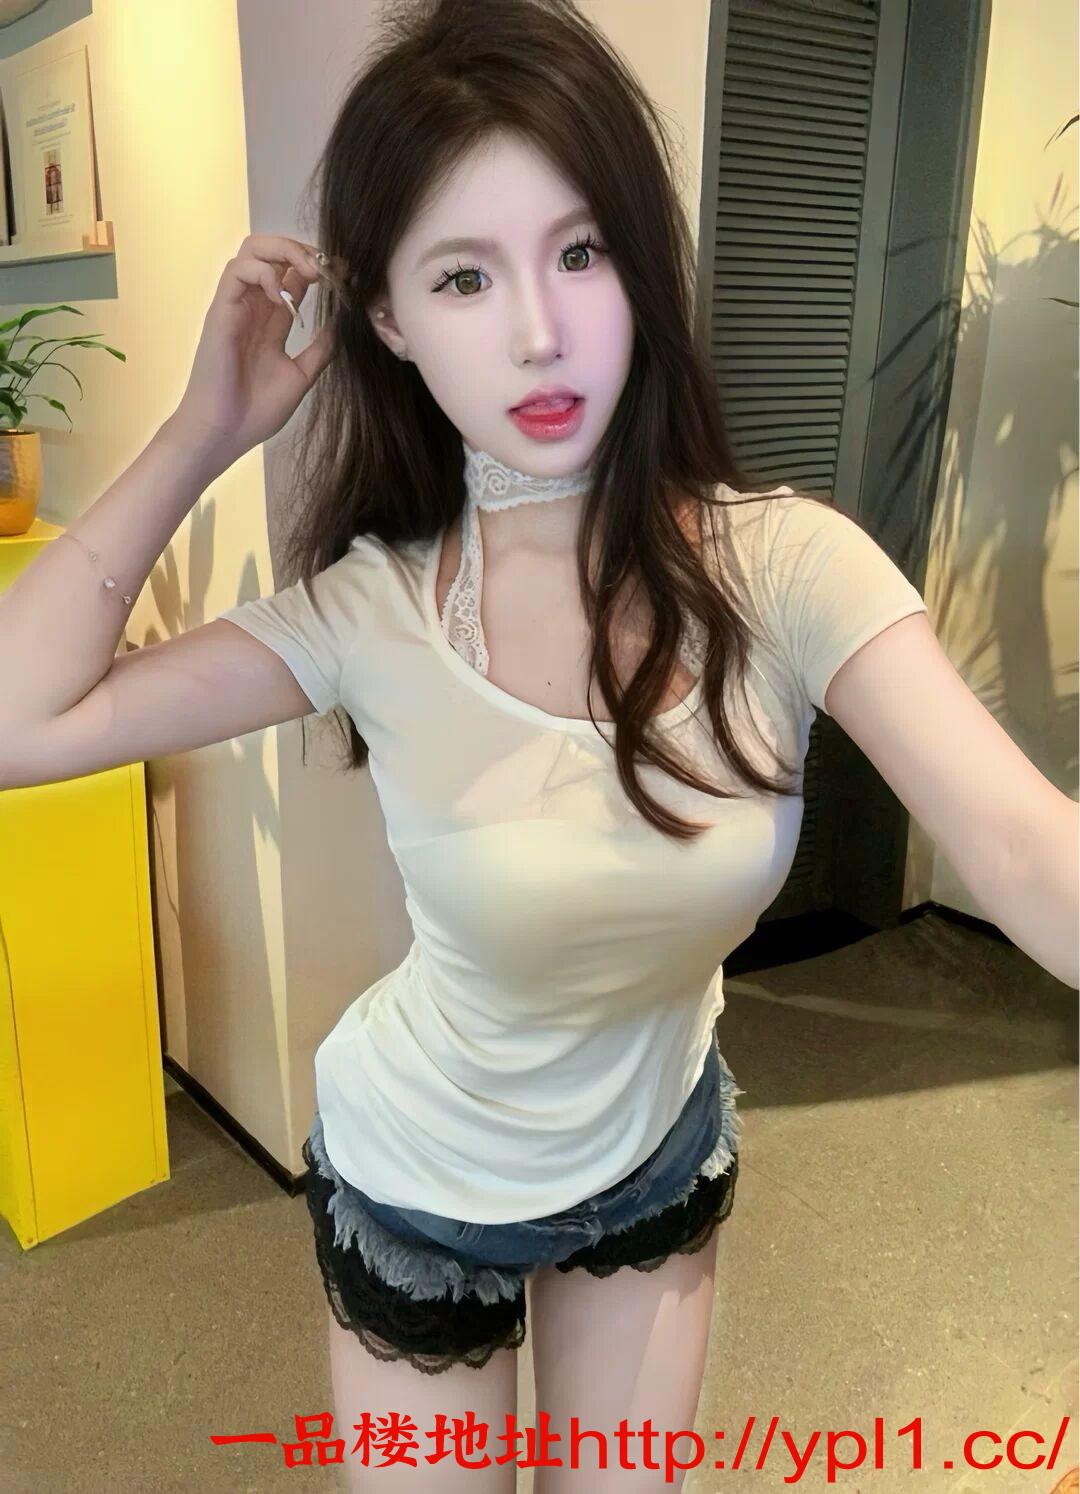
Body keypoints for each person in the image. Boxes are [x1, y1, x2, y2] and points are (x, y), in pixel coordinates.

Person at [1, 1, 1075, 1490]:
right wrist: (204, 430)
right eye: (463, 275)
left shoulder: (789, 567)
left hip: (652, 1154)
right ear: (387, 319)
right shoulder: (368, 609)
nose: (538, 332)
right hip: (419, 1182)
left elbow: (1024, 848)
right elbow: (21, 721)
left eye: (581, 252)